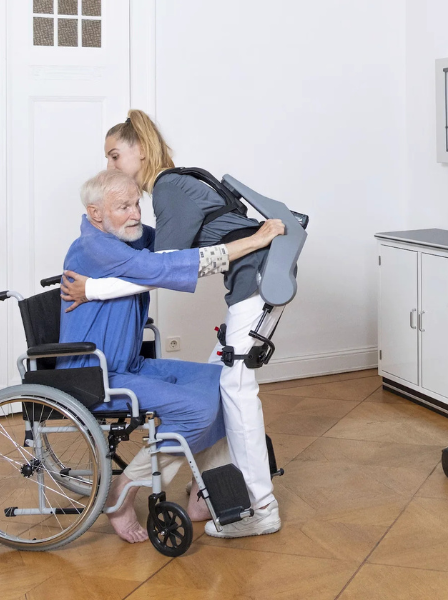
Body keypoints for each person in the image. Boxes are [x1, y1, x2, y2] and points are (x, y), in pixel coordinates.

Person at [61, 110, 287, 539]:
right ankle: (124, 490)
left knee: (219, 384)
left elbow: (167, 257)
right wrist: (252, 240)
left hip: (130, 365)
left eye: (136, 204)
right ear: (95, 213)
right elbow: (163, 267)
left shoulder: (134, 226)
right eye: (123, 207)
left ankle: (207, 492)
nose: (135, 213)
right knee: (201, 407)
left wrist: (94, 289)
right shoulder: (94, 245)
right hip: (96, 374)